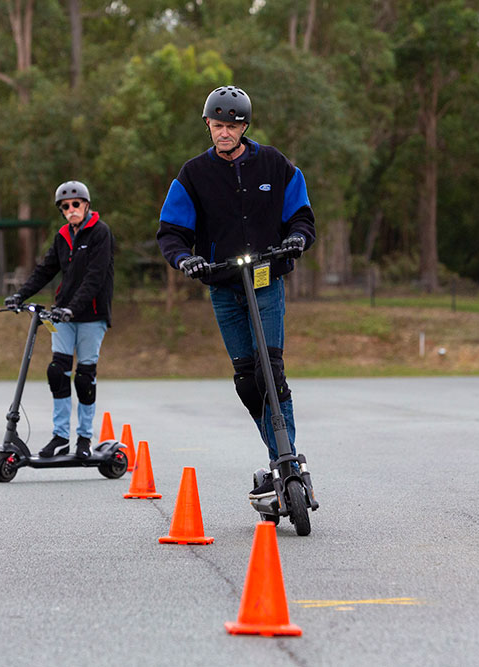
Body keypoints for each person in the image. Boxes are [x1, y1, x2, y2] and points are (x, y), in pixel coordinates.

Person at [156, 85, 315, 500]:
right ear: (207, 124)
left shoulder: (274, 164)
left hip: (266, 280)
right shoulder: (193, 174)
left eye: (232, 126)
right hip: (224, 285)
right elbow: (172, 231)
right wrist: (184, 260)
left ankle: (288, 460)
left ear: (244, 127)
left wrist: (297, 238)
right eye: (218, 125)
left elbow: (301, 215)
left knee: (272, 372)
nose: (224, 133)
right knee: (248, 381)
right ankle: (277, 457)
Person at [5, 180, 114, 459]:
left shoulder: (100, 233)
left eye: (76, 204)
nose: (71, 209)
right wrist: (19, 295)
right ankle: (61, 437)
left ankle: (84, 439)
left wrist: (73, 308)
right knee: (57, 372)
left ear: (86, 205)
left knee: (85, 378)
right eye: (65, 206)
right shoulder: (62, 236)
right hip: (63, 315)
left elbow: (95, 278)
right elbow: (45, 270)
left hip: (91, 314)